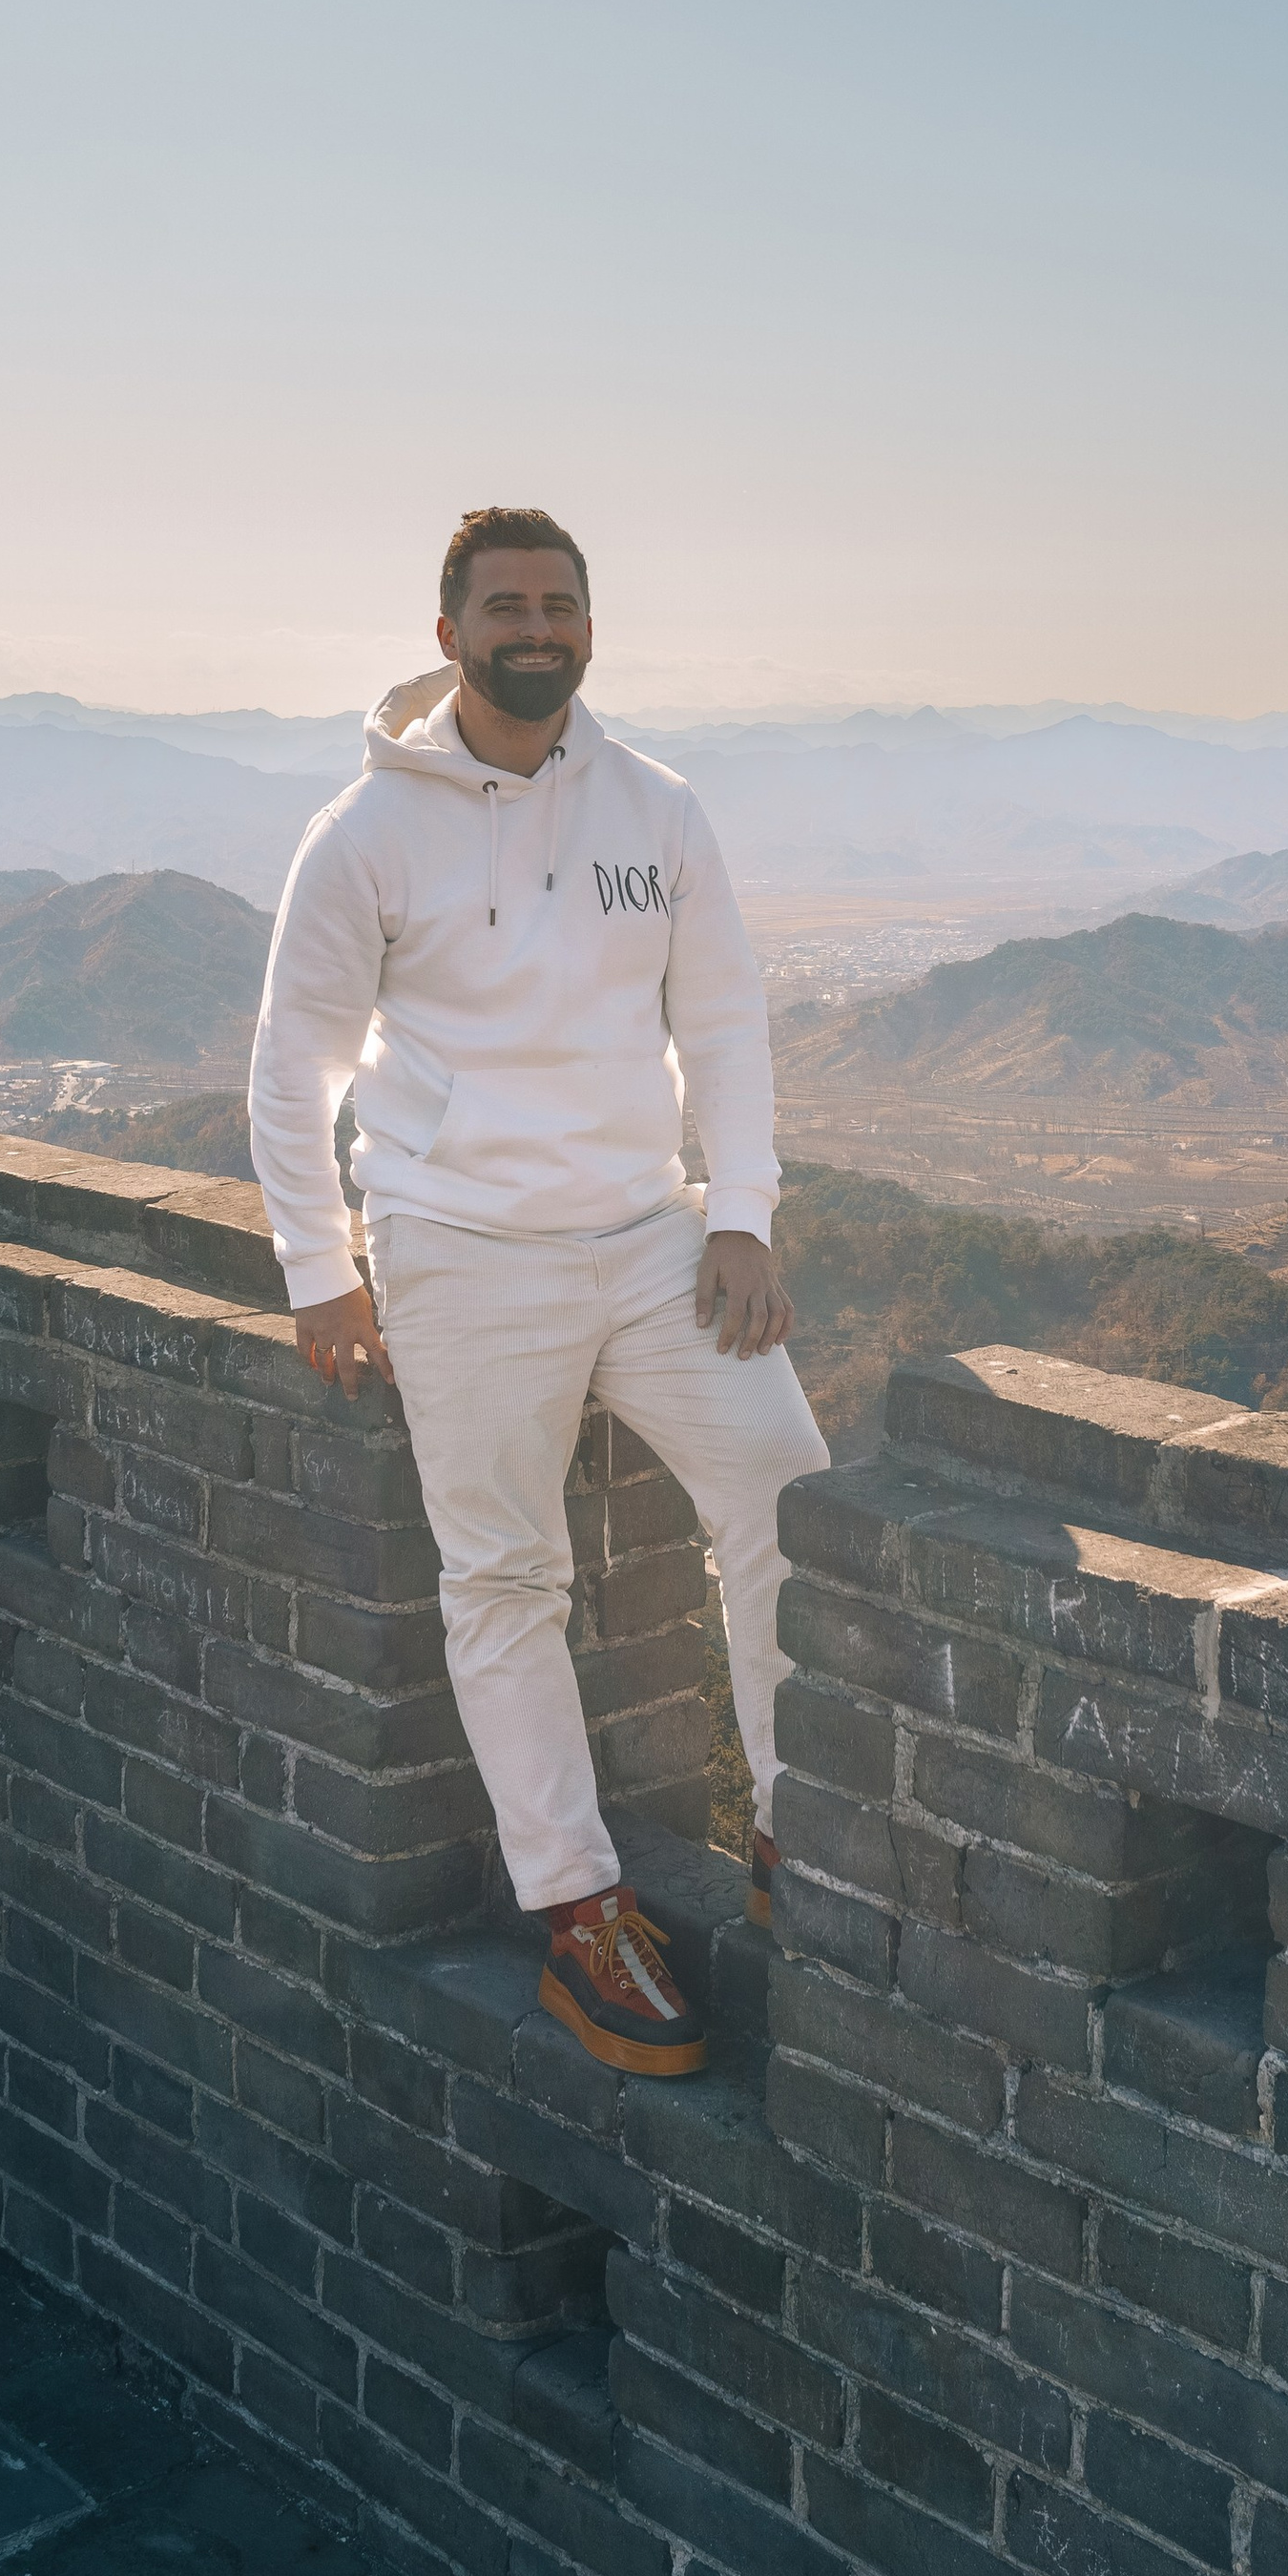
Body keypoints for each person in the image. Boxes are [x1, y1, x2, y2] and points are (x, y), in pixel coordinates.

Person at [246, 506, 829, 2075]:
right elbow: (292, 1071)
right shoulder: (365, 834)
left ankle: (795, 1835)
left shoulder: (658, 809)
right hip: (460, 1247)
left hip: (649, 1235)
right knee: (507, 1577)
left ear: (588, 625)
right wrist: (320, 1269)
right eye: (505, 606)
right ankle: (580, 1910)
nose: (536, 628)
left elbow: (725, 1024)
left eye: (559, 604)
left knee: (786, 1485)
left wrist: (742, 1215)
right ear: (448, 635)